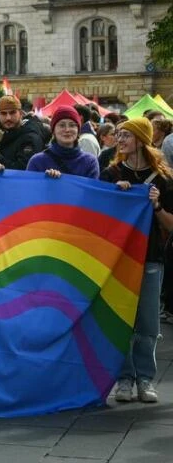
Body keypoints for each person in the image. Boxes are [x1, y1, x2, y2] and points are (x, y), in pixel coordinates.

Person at [101, 117, 171, 404]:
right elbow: (99, 216)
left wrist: (155, 206)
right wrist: (115, 198)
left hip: (151, 258)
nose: (120, 140)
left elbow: (170, 224)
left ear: (142, 139)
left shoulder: (164, 179)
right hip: (118, 259)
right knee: (121, 322)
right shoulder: (111, 173)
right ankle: (125, 379)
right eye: (118, 135)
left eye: (126, 135)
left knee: (148, 324)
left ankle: (145, 378)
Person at [26, 105, 99, 179]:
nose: (67, 130)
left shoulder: (90, 162)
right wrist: (45, 182)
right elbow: (30, 188)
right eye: (62, 125)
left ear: (78, 130)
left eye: (72, 125)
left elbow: (91, 190)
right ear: (53, 130)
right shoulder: (37, 162)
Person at [0, 95, 45, 170]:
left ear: (21, 113)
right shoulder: (6, 133)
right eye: (3, 113)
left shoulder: (30, 137)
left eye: (12, 113)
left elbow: (23, 169)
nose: (8, 118)